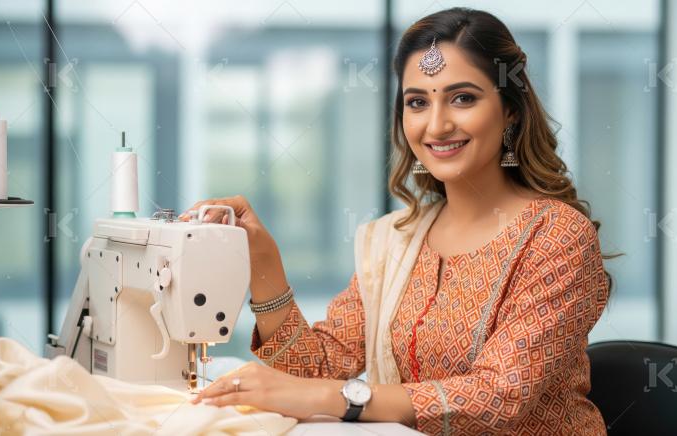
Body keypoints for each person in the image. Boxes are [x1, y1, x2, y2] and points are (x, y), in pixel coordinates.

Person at [186, 7, 611, 435]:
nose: (437, 124)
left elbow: (497, 396)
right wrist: (261, 258)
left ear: (511, 110)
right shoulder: (397, 239)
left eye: (463, 98)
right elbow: (320, 367)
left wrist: (325, 398)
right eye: (417, 102)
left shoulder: (555, 236)